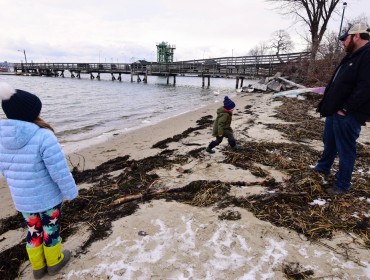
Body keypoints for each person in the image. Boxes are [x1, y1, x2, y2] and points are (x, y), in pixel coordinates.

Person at [0, 82, 78, 278]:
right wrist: (70, 193)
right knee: (50, 230)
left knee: (33, 231)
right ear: (33, 112)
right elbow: (59, 171)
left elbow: (5, 170)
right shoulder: (44, 136)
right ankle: (54, 262)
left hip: (23, 199)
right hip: (48, 198)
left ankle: (38, 267)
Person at [314, 23, 370, 195]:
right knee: (329, 141)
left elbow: (366, 87)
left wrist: (345, 109)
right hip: (335, 110)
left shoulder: (367, 56)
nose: (343, 42)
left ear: (357, 36)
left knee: (346, 148)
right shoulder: (352, 55)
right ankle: (323, 167)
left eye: (345, 38)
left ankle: (343, 184)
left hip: (348, 114)